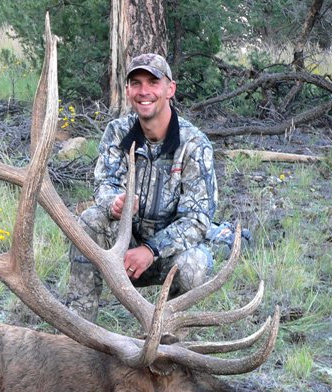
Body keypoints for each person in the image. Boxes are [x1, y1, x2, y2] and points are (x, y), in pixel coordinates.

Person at [66, 53, 218, 322]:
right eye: (135, 83)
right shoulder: (117, 131)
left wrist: (151, 250)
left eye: (152, 82)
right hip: (122, 249)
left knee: (194, 265)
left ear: (170, 89)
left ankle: (165, 335)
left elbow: (197, 220)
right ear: (127, 90)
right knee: (89, 220)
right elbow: (105, 184)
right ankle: (79, 327)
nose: (144, 91)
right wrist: (114, 203)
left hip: (167, 255)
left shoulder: (194, 144)